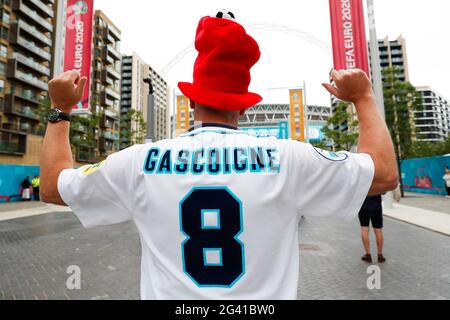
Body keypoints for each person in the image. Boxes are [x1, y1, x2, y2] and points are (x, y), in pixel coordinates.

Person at [40, 13, 398, 300]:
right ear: (242, 106)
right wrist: (364, 97)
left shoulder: (139, 161)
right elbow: (383, 173)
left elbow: (54, 188)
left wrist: (60, 110)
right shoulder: (288, 158)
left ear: (192, 99)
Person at [359, 195, 386, 263]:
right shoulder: (376, 183)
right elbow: (384, 192)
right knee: (378, 230)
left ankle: (368, 255)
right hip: (376, 207)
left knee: (364, 229)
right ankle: (380, 255)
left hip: (363, 206)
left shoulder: (361, 183)